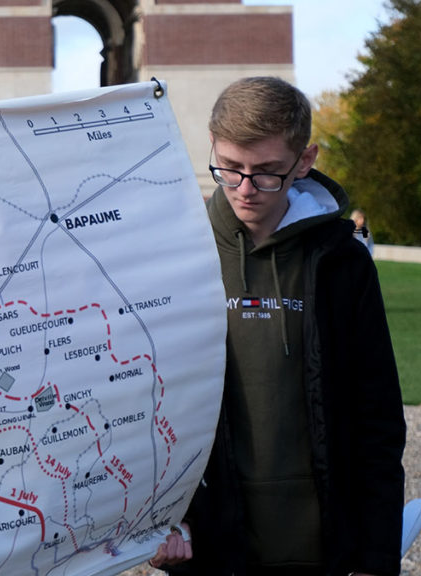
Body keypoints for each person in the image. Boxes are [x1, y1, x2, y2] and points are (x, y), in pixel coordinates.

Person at [150, 77, 406, 575]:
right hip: (212, 549)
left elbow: (378, 420)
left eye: (267, 173)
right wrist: (160, 522)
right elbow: (147, 406)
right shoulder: (176, 253)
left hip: (325, 549)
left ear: (304, 161)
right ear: (213, 148)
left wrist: (376, 558)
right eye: (230, 169)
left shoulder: (342, 262)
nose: (245, 189)